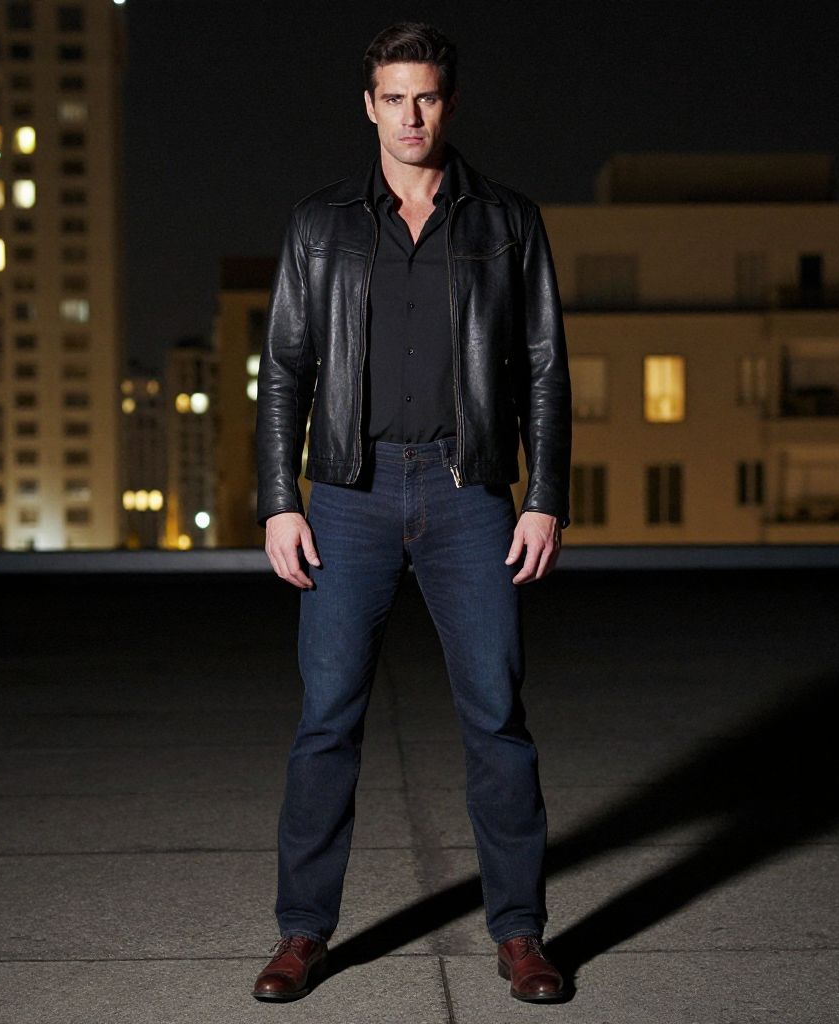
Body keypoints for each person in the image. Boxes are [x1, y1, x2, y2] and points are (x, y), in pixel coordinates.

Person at [252, 21, 571, 1004]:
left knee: (495, 720)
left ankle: (520, 934)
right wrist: (278, 501)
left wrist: (544, 497)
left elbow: (545, 369)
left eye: (425, 96)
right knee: (325, 723)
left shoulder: (505, 221)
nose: (410, 116)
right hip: (346, 495)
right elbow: (285, 371)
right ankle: (302, 932)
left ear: (449, 102)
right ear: (368, 105)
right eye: (393, 97)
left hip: (469, 492)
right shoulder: (321, 223)